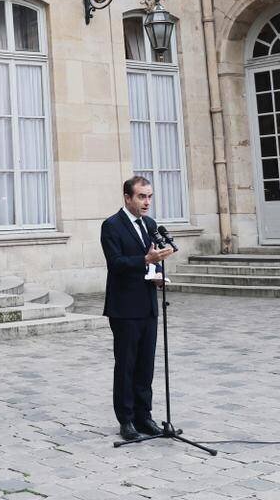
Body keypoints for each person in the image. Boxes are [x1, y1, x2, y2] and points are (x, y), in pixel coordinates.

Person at [101, 175, 174, 441]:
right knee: (127, 365)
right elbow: (116, 263)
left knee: (145, 365)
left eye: (149, 196)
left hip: (148, 305)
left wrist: (156, 273)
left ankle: (145, 416)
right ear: (128, 198)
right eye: (142, 196)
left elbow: (153, 260)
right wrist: (146, 259)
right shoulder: (111, 226)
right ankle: (127, 420)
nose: (147, 202)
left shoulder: (150, 224)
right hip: (124, 307)